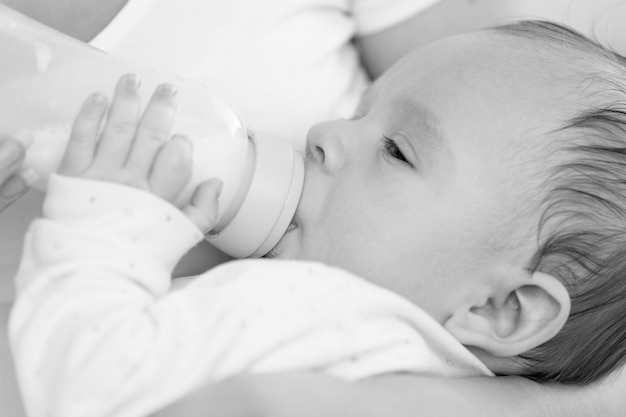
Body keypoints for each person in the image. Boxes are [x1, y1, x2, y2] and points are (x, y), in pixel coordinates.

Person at [9, 20, 626, 417]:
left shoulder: (313, 314)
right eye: (358, 109)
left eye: (396, 150)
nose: (323, 133)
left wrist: (105, 226)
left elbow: (83, 389)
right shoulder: (387, 353)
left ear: (501, 309)